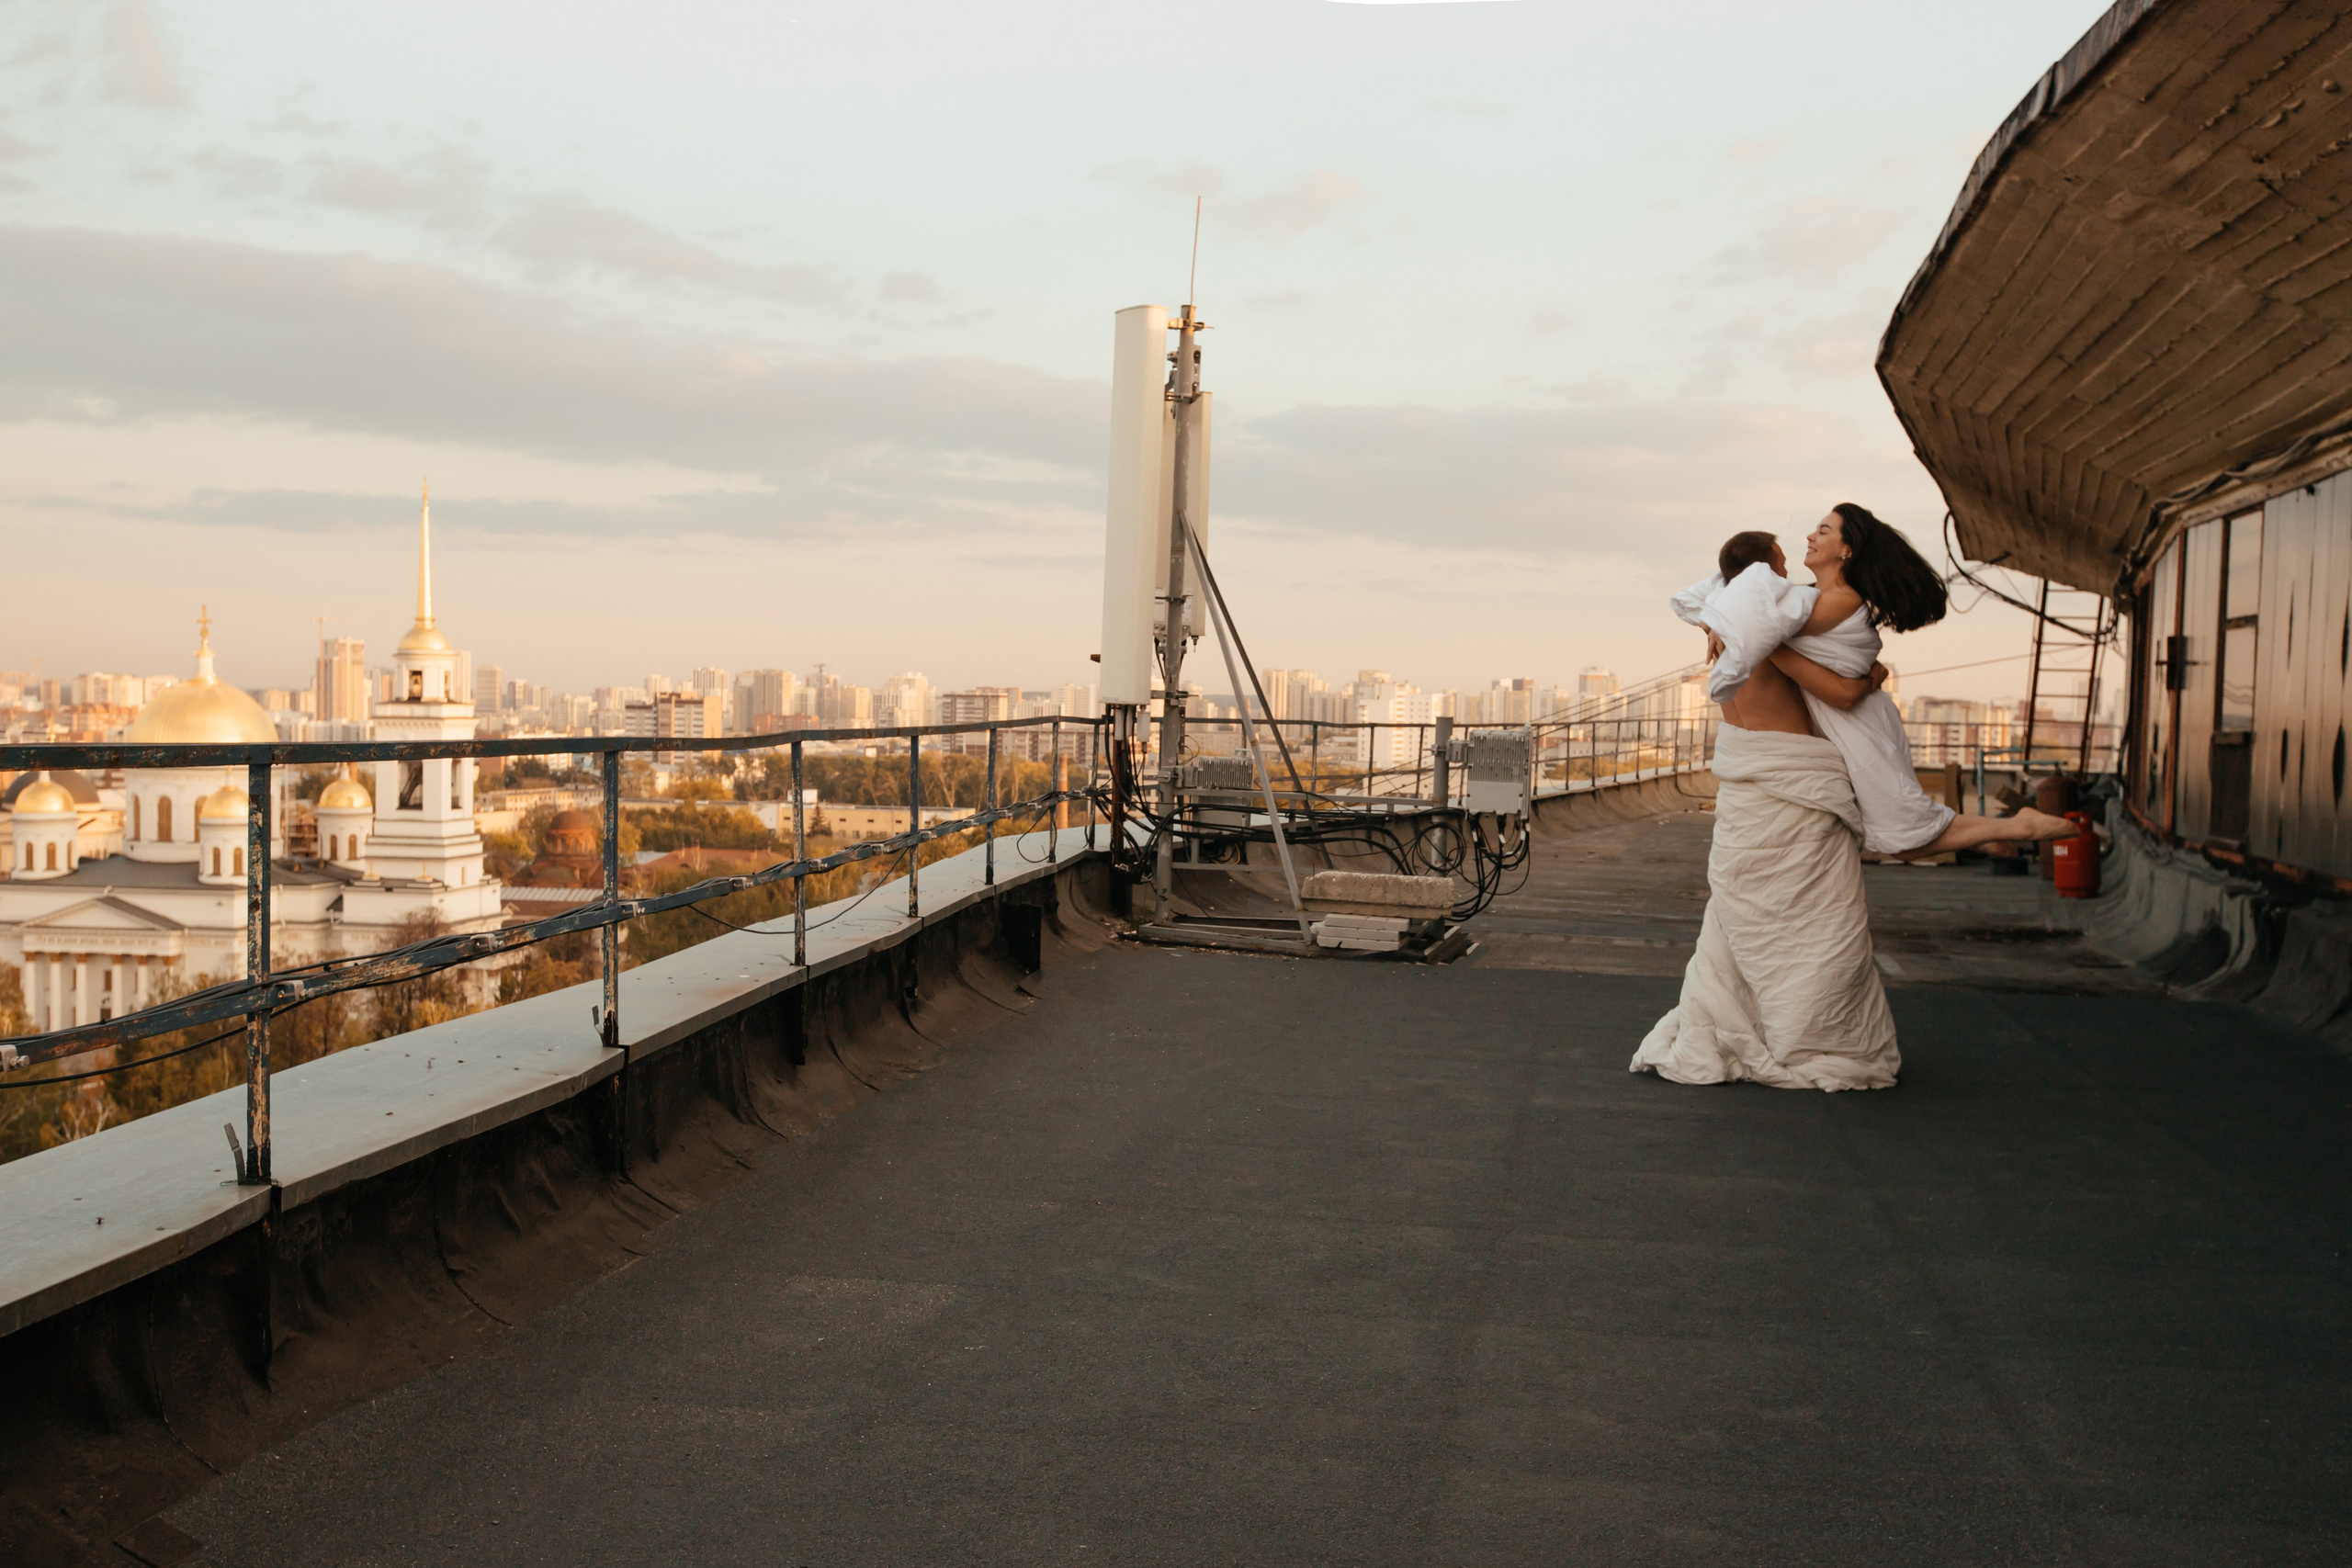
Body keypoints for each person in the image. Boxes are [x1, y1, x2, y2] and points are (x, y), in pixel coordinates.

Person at [1629, 565, 1902, 1092]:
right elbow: (1847, 692)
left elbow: (1692, 597)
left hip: (1746, 798)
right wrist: (1871, 676)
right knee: (1818, 922)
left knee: (1739, 922)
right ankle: (1808, 1033)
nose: (1787, 572)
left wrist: (1719, 622)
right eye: (1777, 564)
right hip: (1792, 791)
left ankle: (1749, 1024)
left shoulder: (1731, 637)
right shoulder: (1780, 633)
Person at [1673, 506, 2076, 859]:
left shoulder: (1840, 600)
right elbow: (1760, 613)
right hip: (1846, 722)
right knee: (1896, 832)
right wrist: (1722, 620)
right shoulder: (1810, 597)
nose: (1810, 537)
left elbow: (1831, 682)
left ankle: (2016, 827)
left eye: (1824, 531)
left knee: (1901, 834)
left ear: (1847, 550)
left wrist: (1731, 626)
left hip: (1859, 725)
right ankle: (1983, 836)